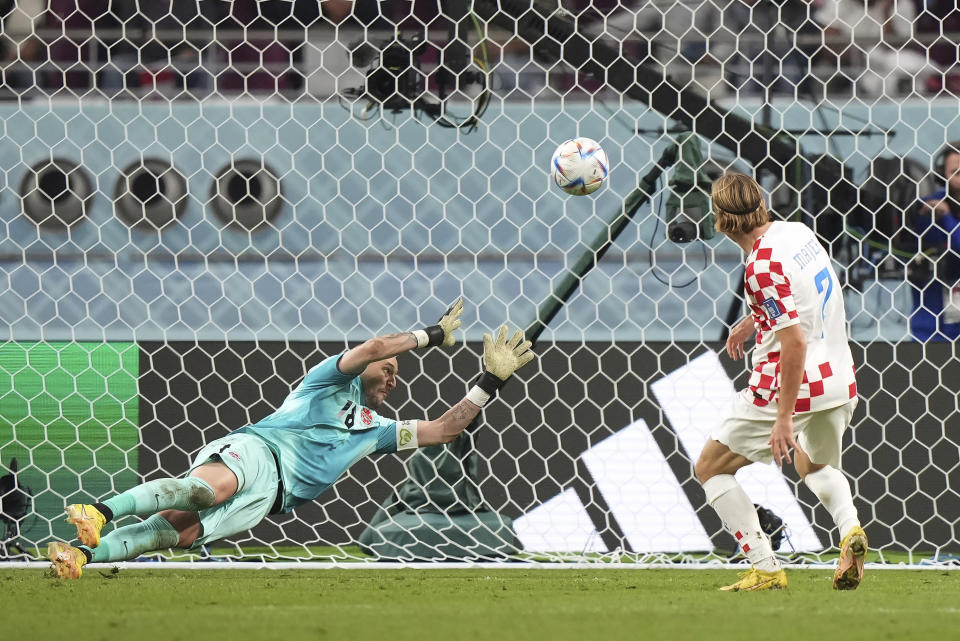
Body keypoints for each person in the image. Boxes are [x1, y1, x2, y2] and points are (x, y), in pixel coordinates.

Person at [46, 300, 536, 578]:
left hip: (272, 497)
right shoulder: (325, 382)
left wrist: (491, 380)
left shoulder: (378, 430)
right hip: (259, 453)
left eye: (396, 375)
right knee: (204, 490)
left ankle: (81, 556)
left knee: (177, 532)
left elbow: (447, 429)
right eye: (388, 370)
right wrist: (428, 335)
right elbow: (372, 346)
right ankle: (98, 512)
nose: (393, 377)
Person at [695, 172, 866, 591]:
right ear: (761, 204)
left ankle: (765, 567)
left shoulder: (759, 266)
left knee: (711, 468)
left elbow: (792, 342)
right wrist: (752, 320)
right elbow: (800, 296)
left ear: (720, 220)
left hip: (789, 387)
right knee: (815, 465)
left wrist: (784, 418)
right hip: (839, 377)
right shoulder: (796, 232)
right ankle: (851, 531)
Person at [909, 141, 960, 341]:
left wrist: (947, 218)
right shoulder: (930, 206)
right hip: (931, 329)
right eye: (955, 170)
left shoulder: (942, 212)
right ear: (942, 174)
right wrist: (924, 217)